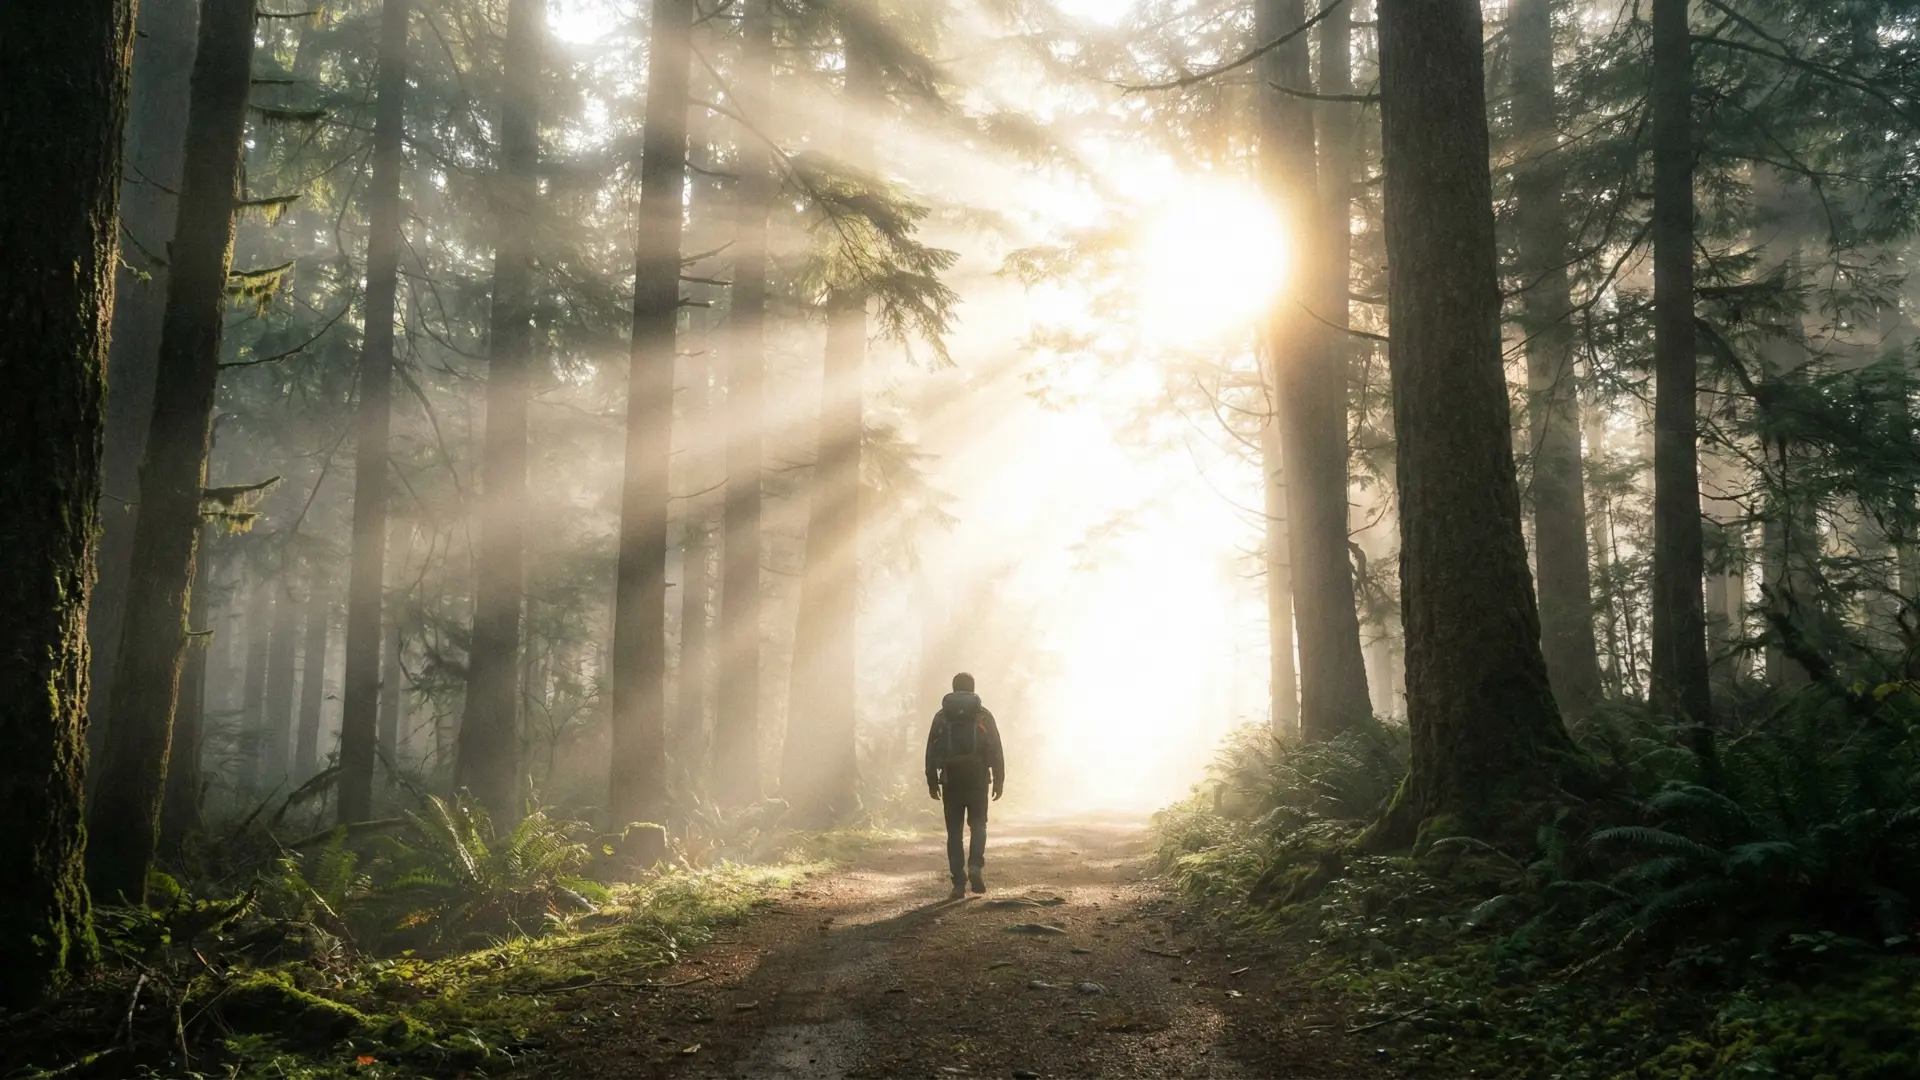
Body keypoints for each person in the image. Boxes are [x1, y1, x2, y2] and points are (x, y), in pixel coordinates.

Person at [926, 672, 1005, 899]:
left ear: (953, 688)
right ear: (972, 688)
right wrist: (999, 779)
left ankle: (958, 883)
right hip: (978, 777)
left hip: (951, 778)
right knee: (979, 825)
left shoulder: (942, 716)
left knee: (954, 831)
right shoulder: (983, 715)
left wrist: (932, 779)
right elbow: (996, 748)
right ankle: (975, 867)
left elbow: (931, 749)